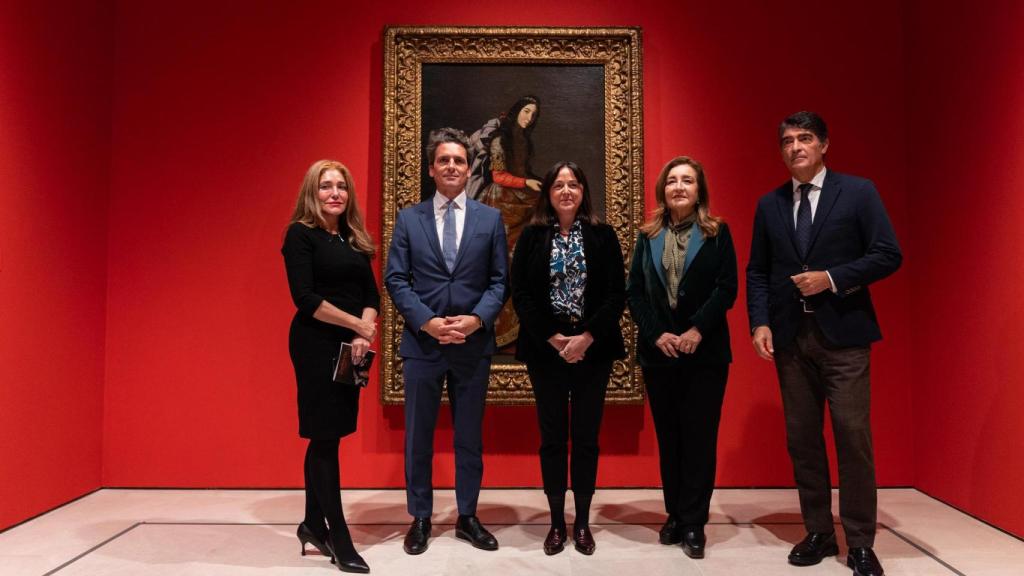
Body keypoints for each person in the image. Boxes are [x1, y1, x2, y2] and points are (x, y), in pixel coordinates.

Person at [746, 111, 902, 576]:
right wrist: (759, 323)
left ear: (824, 144)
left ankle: (859, 542)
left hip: (845, 337)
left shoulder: (858, 192)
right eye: (788, 141)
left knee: (853, 438)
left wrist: (832, 278)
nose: (796, 147)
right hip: (791, 339)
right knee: (803, 441)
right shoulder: (769, 204)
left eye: (805, 138)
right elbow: (758, 270)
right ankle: (817, 531)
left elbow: (887, 253)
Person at [384, 127, 508, 555]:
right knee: (418, 436)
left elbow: (499, 281)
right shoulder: (408, 218)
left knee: (469, 437)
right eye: (444, 160)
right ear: (431, 169)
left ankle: (467, 516)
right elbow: (395, 280)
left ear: (468, 166)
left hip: (472, 346)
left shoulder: (490, 219)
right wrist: (428, 323)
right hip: (424, 345)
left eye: (459, 160)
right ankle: (420, 517)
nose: (452, 166)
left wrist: (476, 320)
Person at [510, 161, 625, 556]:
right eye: (558, 184)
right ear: (548, 192)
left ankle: (582, 522)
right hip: (546, 351)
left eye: (573, 184)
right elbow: (520, 293)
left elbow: (616, 294)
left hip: (594, 350)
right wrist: (555, 338)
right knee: (553, 439)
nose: (565, 191)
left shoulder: (602, 235)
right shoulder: (532, 236)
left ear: (583, 191)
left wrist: (586, 337)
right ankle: (557, 521)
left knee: (587, 439)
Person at [626, 156, 737, 559]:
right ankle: (673, 514)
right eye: (672, 181)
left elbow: (727, 289)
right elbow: (634, 291)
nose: (679, 187)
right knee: (670, 439)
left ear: (699, 189)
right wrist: (657, 334)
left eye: (687, 181)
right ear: (663, 190)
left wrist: (695, 331)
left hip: (704, 353)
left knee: (699, 439)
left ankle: (694, 522)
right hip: (660, 355)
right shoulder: (647, 234)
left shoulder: (717, 232)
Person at [282, 160, 378, 574]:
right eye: (326, 186)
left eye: (341, 186)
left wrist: (364, 331)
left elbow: (371, 293)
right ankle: (338, 536)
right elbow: (304, 298)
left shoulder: (353, 239)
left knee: (329, 437)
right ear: (312, 192)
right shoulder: (300, 235)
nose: (335, 193)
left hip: (350, 347)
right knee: (324, 435)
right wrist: (357, 324)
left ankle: (310, 524)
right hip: (315, 343)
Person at [466, 95, 542, 349]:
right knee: (503, 262)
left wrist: (533, 182)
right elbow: (498, 176)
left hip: (521, 198)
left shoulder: (524, 140)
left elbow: (522, 173)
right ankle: (495, 328)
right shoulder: (501, 138)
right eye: (526, 111)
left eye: (533, 114)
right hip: (501, 202)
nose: (529, 117)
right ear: (516, 111)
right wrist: (526, 183)